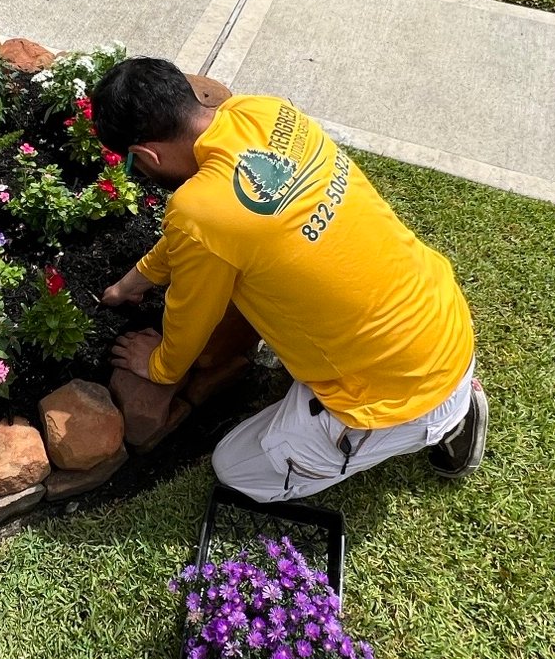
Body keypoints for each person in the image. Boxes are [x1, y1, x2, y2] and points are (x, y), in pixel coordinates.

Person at [93, 58, 487, 503]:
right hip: (439, 314)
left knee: (236, 467)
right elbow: (203, 236)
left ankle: (447, 420)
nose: (139, 173)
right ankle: (447, 393)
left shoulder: (199, 212)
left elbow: (190, 317)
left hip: (396, 392)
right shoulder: (262, 113)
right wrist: (136, 282)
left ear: (148, 155)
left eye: (134, 166)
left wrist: (159, 367)